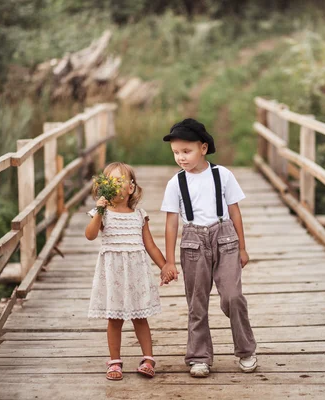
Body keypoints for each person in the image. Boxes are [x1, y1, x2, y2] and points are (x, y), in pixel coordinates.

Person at [160, 118, 257, 378]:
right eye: (176, 153)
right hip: (192, 242)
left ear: (203, 148)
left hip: (225, 238)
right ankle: (199, 356)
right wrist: (169, 261)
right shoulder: (175, 183)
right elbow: (171, 224)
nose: (181, 157)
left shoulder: (222, 175)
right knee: (197, 302)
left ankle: (246, 349)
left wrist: (243, 248)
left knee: (232, 296)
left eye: (186, 151)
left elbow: (235, 211)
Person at [85, 162, 174, 380]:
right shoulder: (102, 214)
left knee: (140, 317)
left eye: (120, 181)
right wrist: (98, 210)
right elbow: (90, 235)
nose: (115, 185)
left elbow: (150, 245)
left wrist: (164, 265)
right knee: (114, 319)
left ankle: (148, 359)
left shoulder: (139, 215)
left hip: (136, 274)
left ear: (131, 188)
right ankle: (114, 361)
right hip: (113, 274)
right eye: (110, 182)